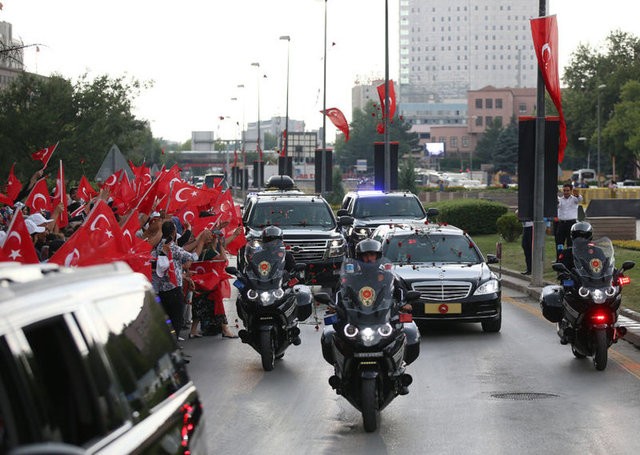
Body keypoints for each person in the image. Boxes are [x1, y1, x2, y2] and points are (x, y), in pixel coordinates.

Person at [152, 220, 211, 341]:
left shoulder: (159, 246)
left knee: (167, 321)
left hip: (162, 291)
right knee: (176, 320)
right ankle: (174, 348)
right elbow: (193, 257)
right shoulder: (173, 248)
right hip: (174, 290)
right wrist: (202, 242)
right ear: (174, 232)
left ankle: (170, 346)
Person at [555, 183, 583, 257]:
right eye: (564, 190)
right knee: (559, 242)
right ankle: (559, 258)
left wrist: (577, 195)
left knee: (570, 243)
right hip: (561, 224)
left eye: (567, 191)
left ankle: (570, 258)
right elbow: (558, 204)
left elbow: (580, 199)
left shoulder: (574, 199)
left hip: (571, 224)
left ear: (571, 191)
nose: (566, 192)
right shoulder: (560, 200)